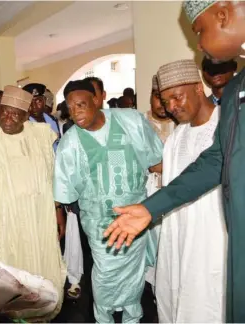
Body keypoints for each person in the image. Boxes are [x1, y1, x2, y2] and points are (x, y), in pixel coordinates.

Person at [103, 1, 245, 322]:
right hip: (184, 237)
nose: (199, 43)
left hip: (215, 240)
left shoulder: (227, 106)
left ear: (222, 15)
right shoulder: (235, 90)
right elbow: (214, 162)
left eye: (199, 31)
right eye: (166, 100)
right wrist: (151, 208)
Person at [53, 79, 162, 323]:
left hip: (135, 217)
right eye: (71, 108)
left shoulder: (130, 121)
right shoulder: (70, 142)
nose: (76, 112)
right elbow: (65, 193)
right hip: (100, 222)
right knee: (105, 275)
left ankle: (132, 317)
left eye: (81, 104)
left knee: (134, 275)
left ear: (97, 100)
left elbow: (155, 158)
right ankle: (104, 318)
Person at [0, 85, 66, 311]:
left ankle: (41, 312)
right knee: (7, 272)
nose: (7, 118)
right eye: (3, 111)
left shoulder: (41, 135)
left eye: (14, 113)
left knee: (40, 265)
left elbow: (52, 179)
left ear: (25, 115)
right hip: (2, 219)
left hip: (38, 218)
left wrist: (58, 213)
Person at [157, 59, 227, 322]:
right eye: (166, 102)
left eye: (176, 97)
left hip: (216, 239)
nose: (171, 107)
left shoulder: (226, 126)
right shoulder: (176, 138)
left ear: (199, 88)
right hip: (179, 235)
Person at [143, 75, 176, 288]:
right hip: (145, 190)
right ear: (151, 96)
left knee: (171, 242)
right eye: (157, 97)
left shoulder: (183, 124)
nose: (162, 104)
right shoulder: (138, 123)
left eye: (166, 99)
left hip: (174, 192)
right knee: (148, 242)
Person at [22, 83, 60, 151]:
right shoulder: (23, 126)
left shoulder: (53, 120)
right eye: (29, 103)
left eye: (38, 101)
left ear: (44, 101)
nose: (34, 107)